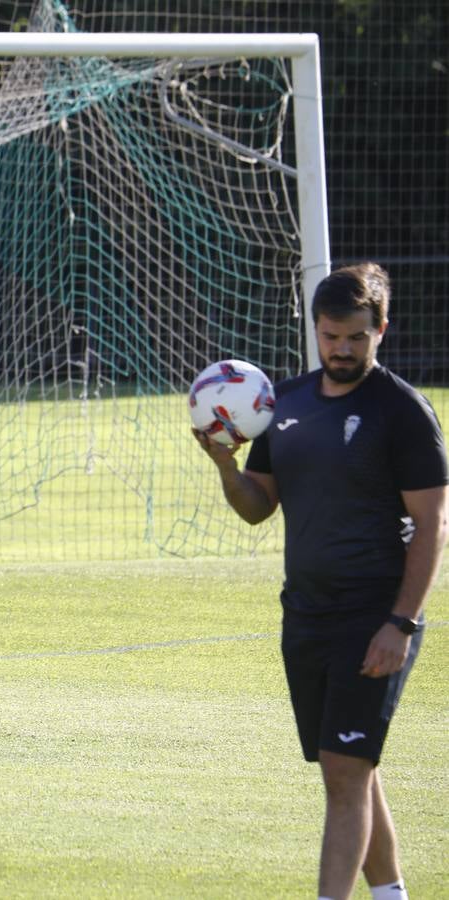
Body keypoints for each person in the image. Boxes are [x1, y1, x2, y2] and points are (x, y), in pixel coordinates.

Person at [194, 262, 447, 900]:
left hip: (376, 614)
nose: (341, 349)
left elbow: (434, 523)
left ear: (381, 330)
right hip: (305, 613)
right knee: (349, 767)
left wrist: (402, 624)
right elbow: (258, 507)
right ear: (316, 329)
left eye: (356, 337)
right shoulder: (285, 405)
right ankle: (391, 895)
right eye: (332, 335)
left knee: (344, 768)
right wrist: (226, 464)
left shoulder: (402, 411)